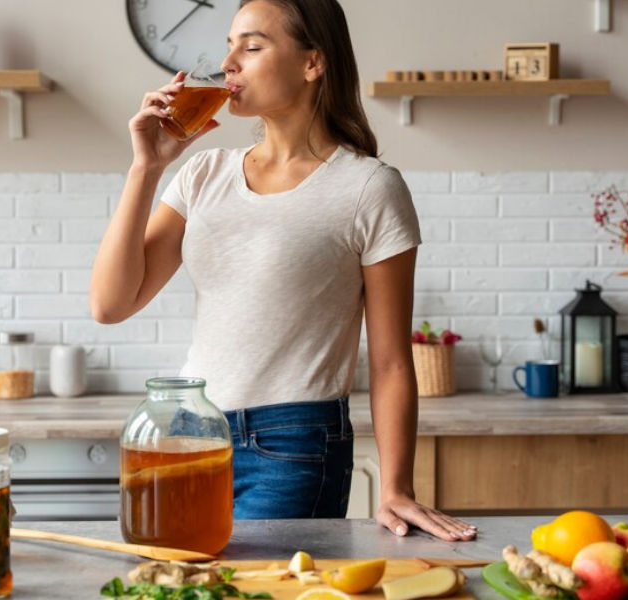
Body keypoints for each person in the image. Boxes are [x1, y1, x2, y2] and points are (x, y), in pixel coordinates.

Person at [90, 0, 476, 542]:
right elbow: (111, 304)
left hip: (293, 446)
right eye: (228, 46)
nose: (229, 63)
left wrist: (397, 487)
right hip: (190, 432)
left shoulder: (369, 188)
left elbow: (390, 362)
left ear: (312, 63)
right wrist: (146, 168)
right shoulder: (203, 173)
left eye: (251, 46)